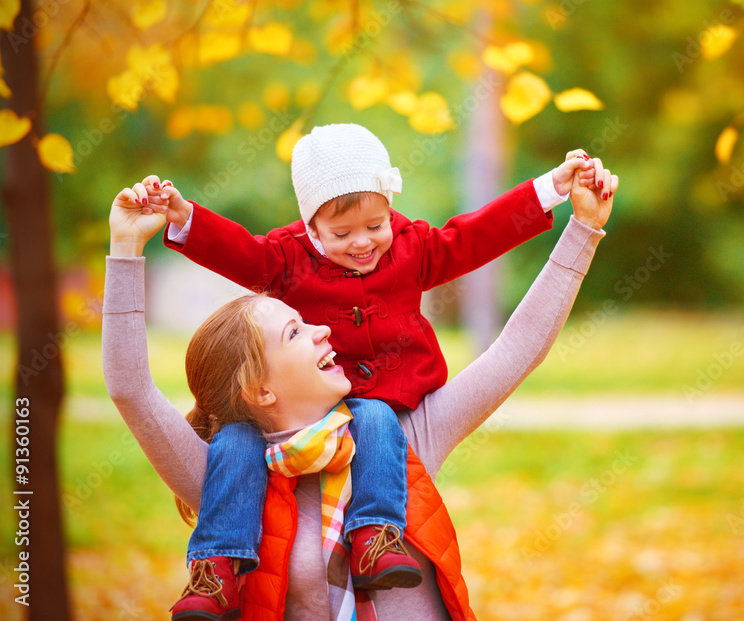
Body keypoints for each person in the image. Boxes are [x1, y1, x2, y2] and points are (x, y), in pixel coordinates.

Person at [104, 155, 616, 619]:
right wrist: (126, 247)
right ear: (260, 390)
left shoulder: (402, 438)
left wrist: (584, 229)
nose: (324, 329)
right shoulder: (224, 481)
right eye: (295, 331)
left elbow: (517, 350)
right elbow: (131, 388)